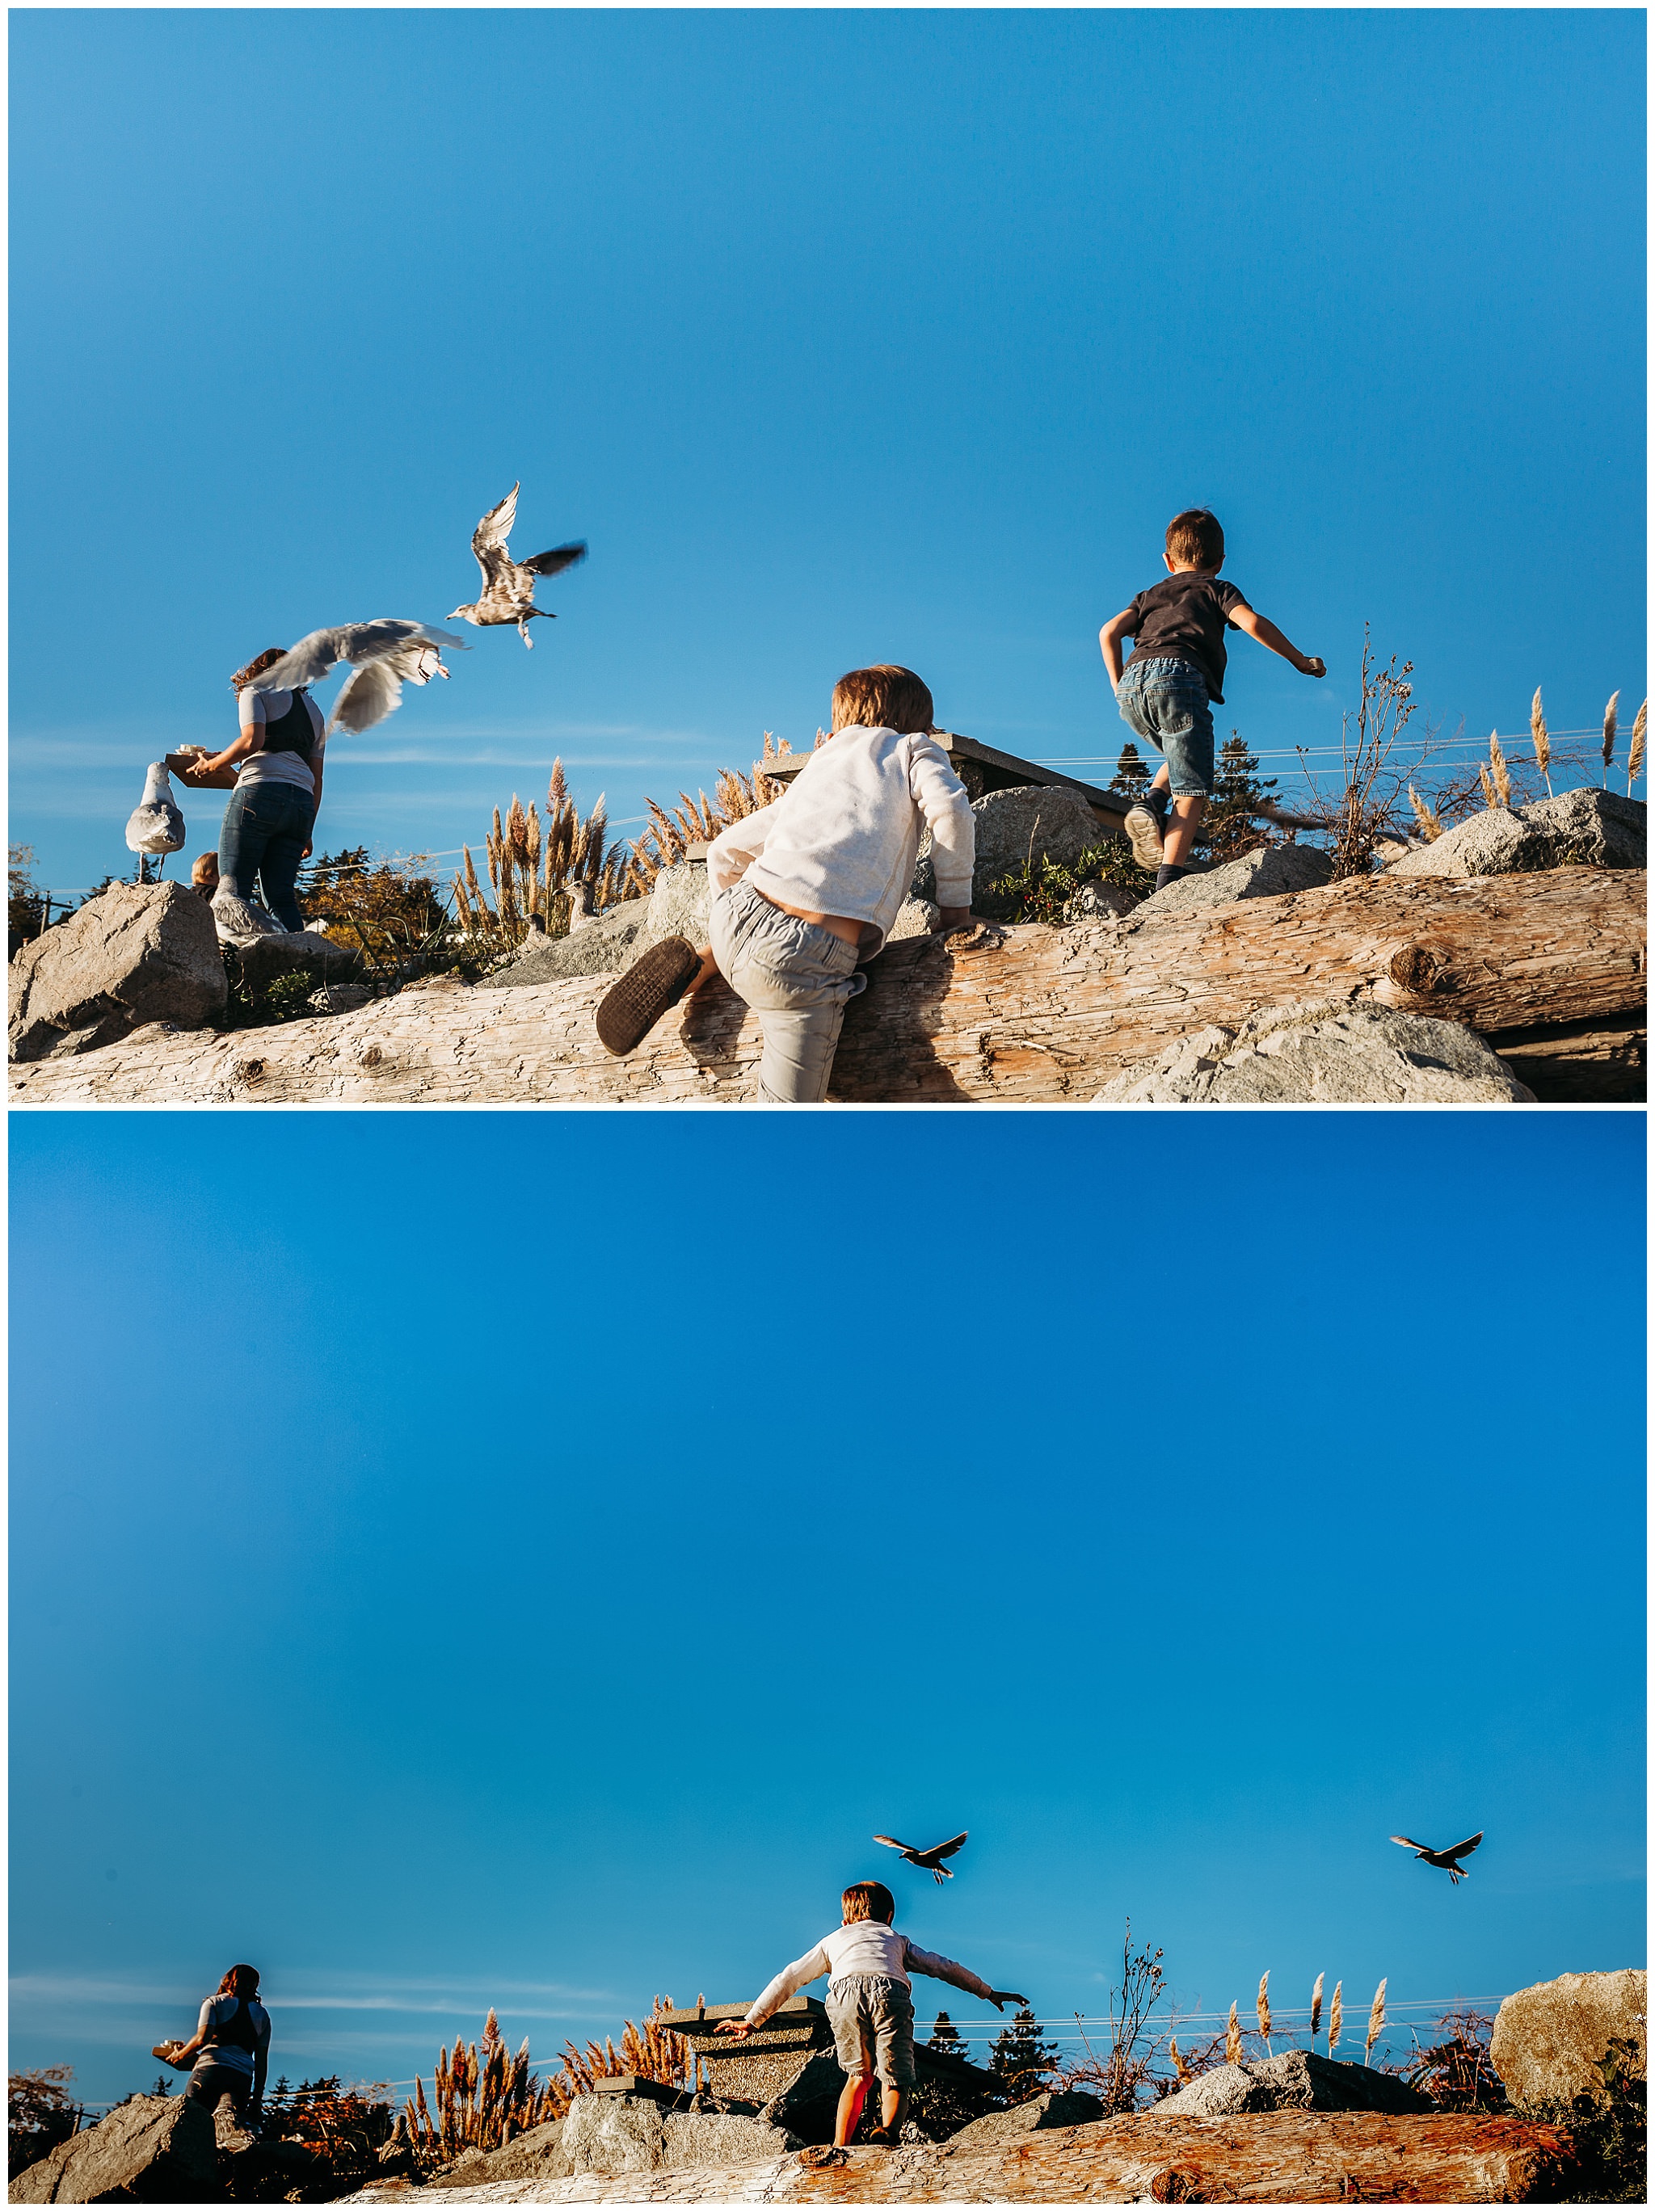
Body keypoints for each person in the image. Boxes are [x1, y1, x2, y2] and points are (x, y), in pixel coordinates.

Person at [692, 665, 977, 1102]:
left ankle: (711, 959)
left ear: (843, 719)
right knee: (790, 1110)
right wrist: (955, 911)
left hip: (736, 911)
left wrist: (729, 922)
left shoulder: (820, 765)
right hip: (803, 958)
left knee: (745, 945)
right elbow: (952, 812)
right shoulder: (913, 749)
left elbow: (723, 852)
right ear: (922, 721)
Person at [1097, 510, 1325, 890]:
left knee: (1183, 754)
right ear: (1220, 562)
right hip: (1180, 679)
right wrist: (1299, 660)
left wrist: (1119, 685)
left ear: (1168, 561)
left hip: (1134, 686)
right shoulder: (1218, 589)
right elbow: (1252, 623)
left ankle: (1151, 803)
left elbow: (1108, 632)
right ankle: (1167, 881)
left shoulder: (1149, 595)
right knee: (1193, 787)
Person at [717, 1880, 1025, 2146]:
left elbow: (790, 1977)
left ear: (845, 1921)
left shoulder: (832, 1941)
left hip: (844, 1996)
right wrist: (988, 1992)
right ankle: (888, 2133)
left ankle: (839, 2145)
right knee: (894, 2079)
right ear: (889, 1917)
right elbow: (944, 1967)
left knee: (858, 2077)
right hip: (890, 1995)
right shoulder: (896, 1940)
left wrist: (752, 2020)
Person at [187, 650, 326, 932]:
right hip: (300, 804)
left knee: (233, 890)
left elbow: (252, 740)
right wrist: (308, 829)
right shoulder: (314, 712)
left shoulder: (255, 689)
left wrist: (212, 765)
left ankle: (236, 961)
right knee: (281, 897)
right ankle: (299, 963)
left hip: (258, 795)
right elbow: (316, 776)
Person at [169, 1963, 271, 2130]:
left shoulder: (214, 2003)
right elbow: (261, 2062)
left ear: (228, 1980)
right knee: (230, 2129)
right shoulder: (263, 2015)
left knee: (192, 2125)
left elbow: (202, 2039)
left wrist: (179, 2054)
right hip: (242, 2077)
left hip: (210, 2071)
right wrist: (257, 2099)